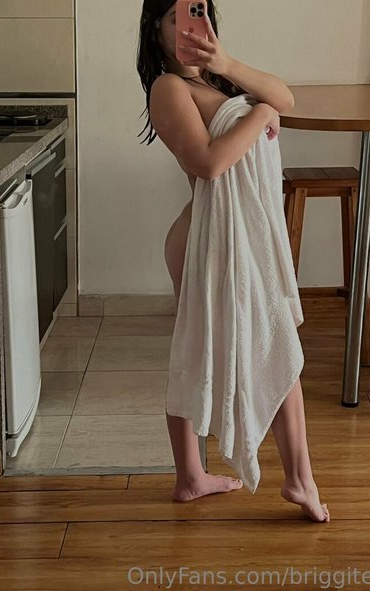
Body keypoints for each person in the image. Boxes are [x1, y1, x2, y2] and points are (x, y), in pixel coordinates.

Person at [136, 0, 330, 523]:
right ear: (156, 30)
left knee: (209, 348)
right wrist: (262, 115)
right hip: (206, 238)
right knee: (260, 344)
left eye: (200, 11)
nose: (194, 25)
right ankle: (297, 480)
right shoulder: (167, 88)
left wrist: (226, 63)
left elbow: (285, 95)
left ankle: (192, 477)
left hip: (236, 238)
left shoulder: (218, 82)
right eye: (179, 16)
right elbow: (209, 162)